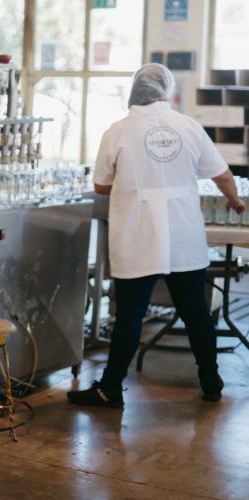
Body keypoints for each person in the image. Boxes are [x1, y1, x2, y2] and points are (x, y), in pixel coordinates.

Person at [67, 64, 244, 409]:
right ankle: (210, 381)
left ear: (134, 90)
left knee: (131, 314)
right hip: (182, 234)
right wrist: (235, 200)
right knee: (195, 312)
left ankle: (111, 388)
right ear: (167, 91)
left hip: (139, 234)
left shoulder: (118, 130)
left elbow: (101, 186)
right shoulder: (188, 126)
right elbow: (222, 173)